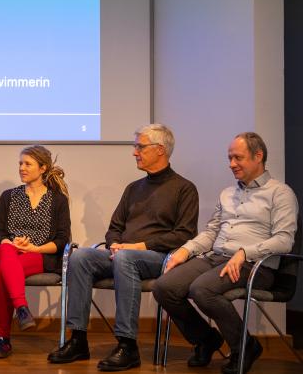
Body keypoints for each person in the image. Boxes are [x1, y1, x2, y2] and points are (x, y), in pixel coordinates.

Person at [48, 123, 199, 371]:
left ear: (160, 150)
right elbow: (115, 226)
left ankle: (127, 345)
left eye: (140, 146)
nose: (134, 152)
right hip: (123, 254)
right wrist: (114, 244)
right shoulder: (134, 188)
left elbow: (184, 235)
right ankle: (78, 339)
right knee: (80, 257)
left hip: (159, 258)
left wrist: (138, 246)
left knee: (125, 258)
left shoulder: (184, 189)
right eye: (135, 146)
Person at [153, 132, 298, 374]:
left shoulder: (280, 193)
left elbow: (285, 240)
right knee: (164, 287)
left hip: (255, 265)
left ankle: (244, 346)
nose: (231, 164)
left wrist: (244, 252)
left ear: (258, 156)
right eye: (229, 157)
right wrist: (185, 250)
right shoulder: (227, 193)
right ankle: (206, 339)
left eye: (238, 157)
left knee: (202, 289)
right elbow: (211, 233)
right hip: (216, 258)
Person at [0, 145, 71, 359]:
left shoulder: (58, 200)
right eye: (20, 164)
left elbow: (62, 240)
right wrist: (11, 243)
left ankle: (3, 339)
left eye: (27, 164)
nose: (22, 168)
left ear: (42, 168)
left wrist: (35, 248)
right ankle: (21, 307)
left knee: (1, 274)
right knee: (5, 250)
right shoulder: (9, 196)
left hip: (39, 255)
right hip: (8, 251)